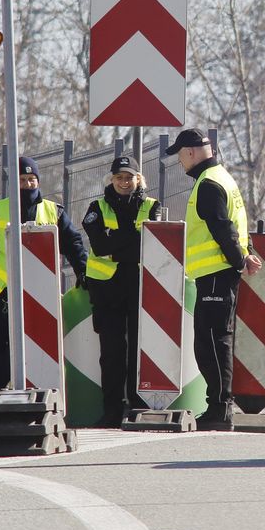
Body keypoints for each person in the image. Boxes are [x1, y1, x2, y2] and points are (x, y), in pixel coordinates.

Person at [166, 128, 263, 431]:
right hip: (217, 274)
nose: (180, 162)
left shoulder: (208, 184)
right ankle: (218, 405)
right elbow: (236, 223)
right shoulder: (222, 177)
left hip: (216, 274)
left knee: (211, 342)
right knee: (212, 339)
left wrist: (240, 259)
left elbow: (224, 228)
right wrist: (245, 253)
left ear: (192, 152)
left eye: (180, 155)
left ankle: (220, 408)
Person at [0, 156, 89, 401]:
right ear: (13, 182)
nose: (27, 185)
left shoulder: (53, 211)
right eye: (22, 180)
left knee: (33, 353)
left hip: (37, 295)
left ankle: (34, 402)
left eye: (32, 179)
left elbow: (73, 243)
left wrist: (82, 269)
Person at [81, 154, 163, 427]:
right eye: (119, 177)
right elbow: (100, 247)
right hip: (107, 291)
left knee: (141, 351)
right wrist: (133, 240)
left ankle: (137, 407)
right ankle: (112, 411)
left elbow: (154, 244)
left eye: (129, 177)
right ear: (111, 180)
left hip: (142, 288)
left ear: (139, 179)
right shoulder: (96, 207)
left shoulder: (154, 207)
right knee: (112, 352)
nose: (124, 182)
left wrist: (115, 241)